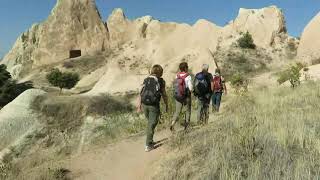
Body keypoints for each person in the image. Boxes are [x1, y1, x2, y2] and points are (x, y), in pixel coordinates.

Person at [137, 64, 168, 152]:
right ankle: (148, 145)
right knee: (151, 125)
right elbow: (164, 95)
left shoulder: (146, 80)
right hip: (154, 106)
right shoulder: (161, 81)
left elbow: (140, 93)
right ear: (160, 72)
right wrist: (166, 105)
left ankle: (150, 140)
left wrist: (139, 106)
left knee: (150, 124)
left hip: (145, 104)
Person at [170, 62, 193, 132]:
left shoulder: (177, 76)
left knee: (177, 111)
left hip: (178, 96)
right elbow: (190, 88)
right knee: (187, 110)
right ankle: (187, 127)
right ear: (185, 68)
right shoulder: (188, 76)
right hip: (186, 96)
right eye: (187, 67)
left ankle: (172, 124)